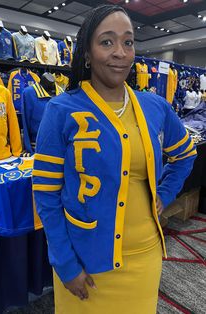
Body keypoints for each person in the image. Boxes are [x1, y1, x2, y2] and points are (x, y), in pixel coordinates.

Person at [33, 5, 197, 314]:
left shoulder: (155, 106)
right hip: (86, 263)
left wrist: (163, 194)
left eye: (128, 41)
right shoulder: (61, 110)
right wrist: (65, 264)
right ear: (86, 52)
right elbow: (45, 194)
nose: (120, 52)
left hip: (144, 256)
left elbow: (185, 155)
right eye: (106, 42)